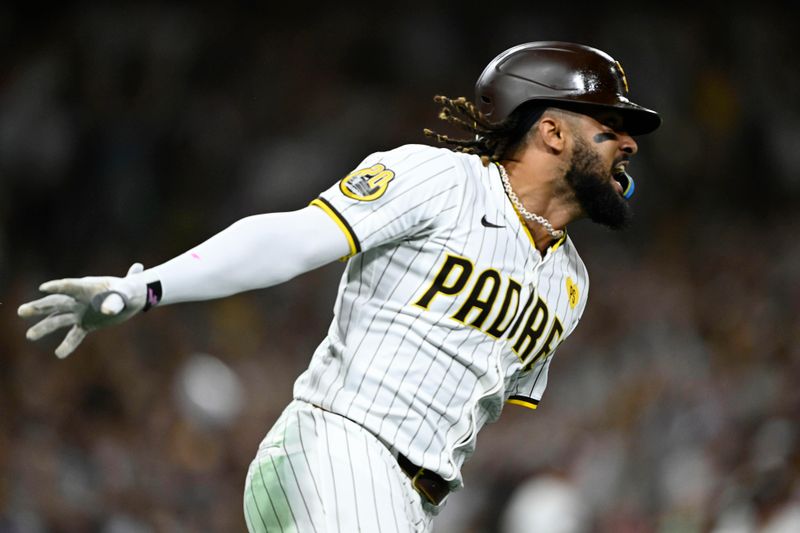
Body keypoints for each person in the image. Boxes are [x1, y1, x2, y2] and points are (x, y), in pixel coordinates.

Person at [18, 41, 661, 532]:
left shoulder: (571, 285)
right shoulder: (442, 180)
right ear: (551, 130)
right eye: (610, 125)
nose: (629, 142)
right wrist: (147, 288)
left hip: (413, 500)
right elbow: (291, 239)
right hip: (339, 448)